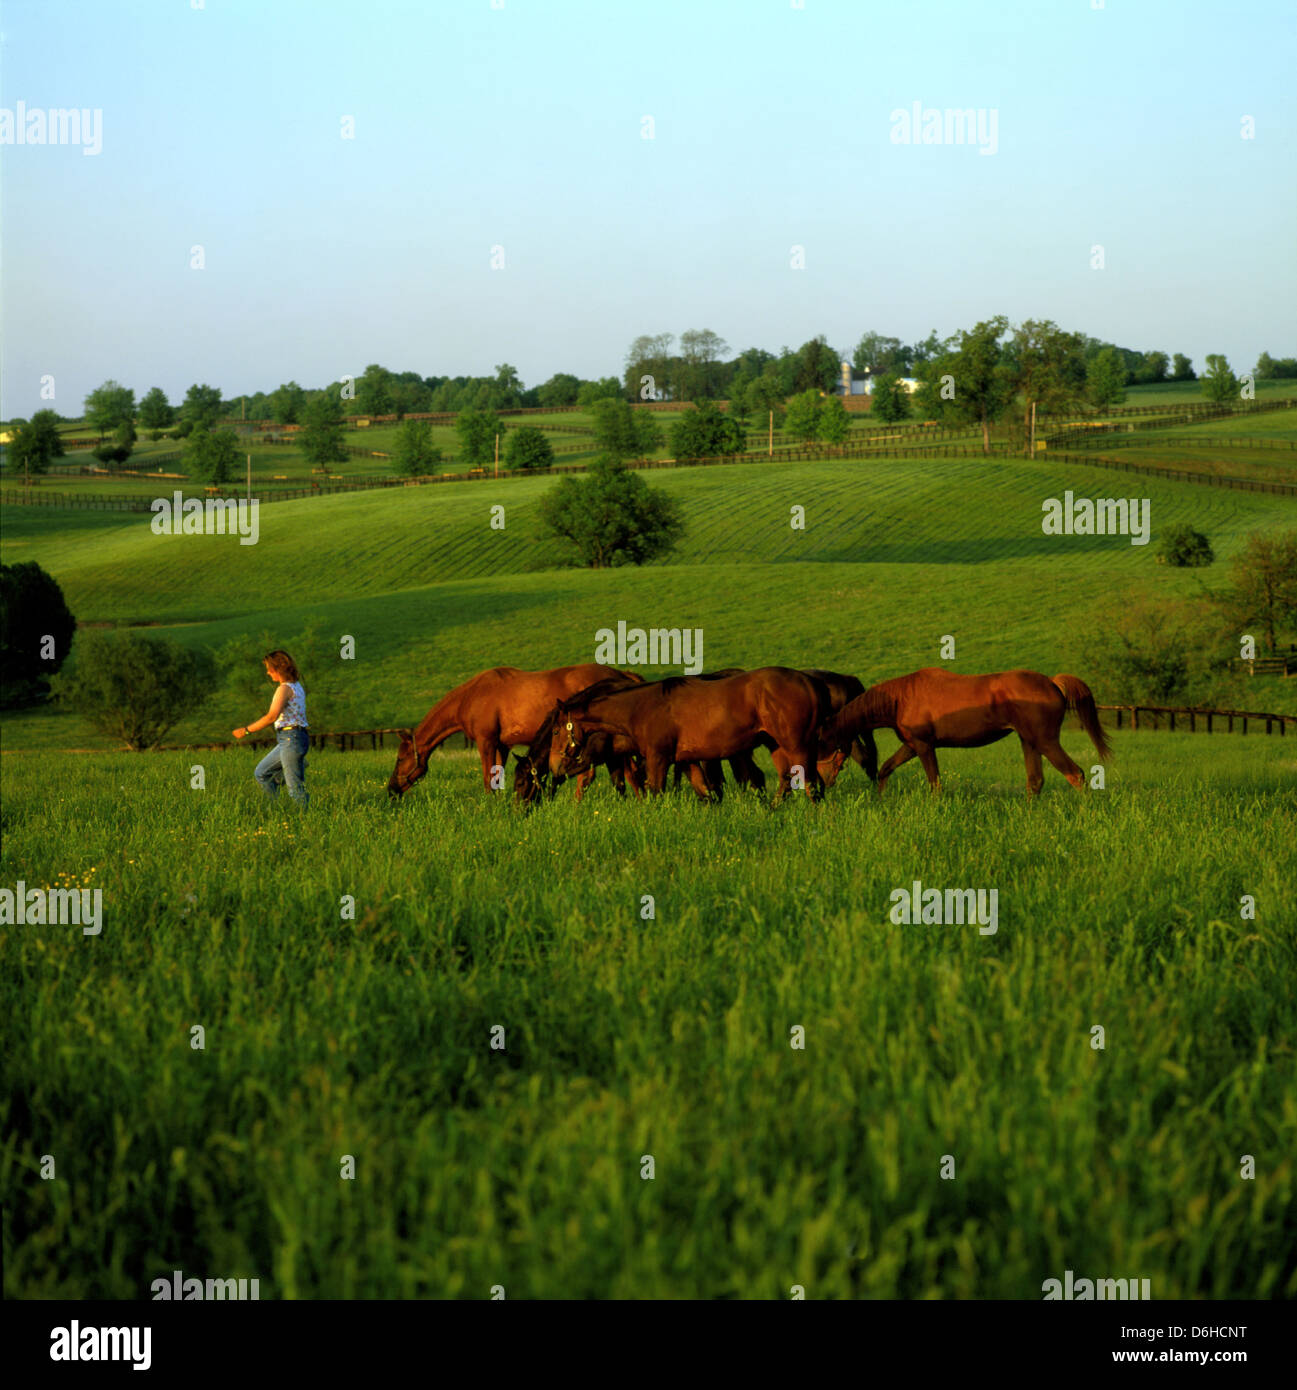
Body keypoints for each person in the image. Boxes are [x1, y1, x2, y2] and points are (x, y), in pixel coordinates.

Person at [233, 649, 310, 807]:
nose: (268, 673)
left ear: (279, 668)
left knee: (295, 788)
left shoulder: (285, 689)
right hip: (291, 739)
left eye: (270, 669)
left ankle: (305, 820)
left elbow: (271, 716)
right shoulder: (297, 686)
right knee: (262, 773)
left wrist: (246, 730)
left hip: (291, 738)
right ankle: (276, 809)